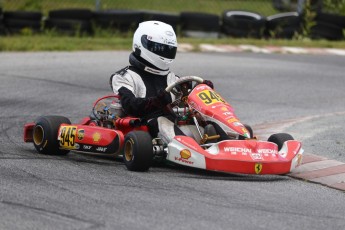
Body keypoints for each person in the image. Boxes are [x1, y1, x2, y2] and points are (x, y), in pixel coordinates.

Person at [110, 20, 213, 143]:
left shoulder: (173, 78)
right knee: (161, 120)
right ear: (141, 45)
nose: (164, 52)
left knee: (208, 118)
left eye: (168, 49)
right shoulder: (124, 77)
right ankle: (188, 151)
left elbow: (188, 100)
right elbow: (131, 105)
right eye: (159, 48)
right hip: (146, 126)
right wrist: (156, 102)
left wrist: (201, 90)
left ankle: (231, 142)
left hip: (175, 122)